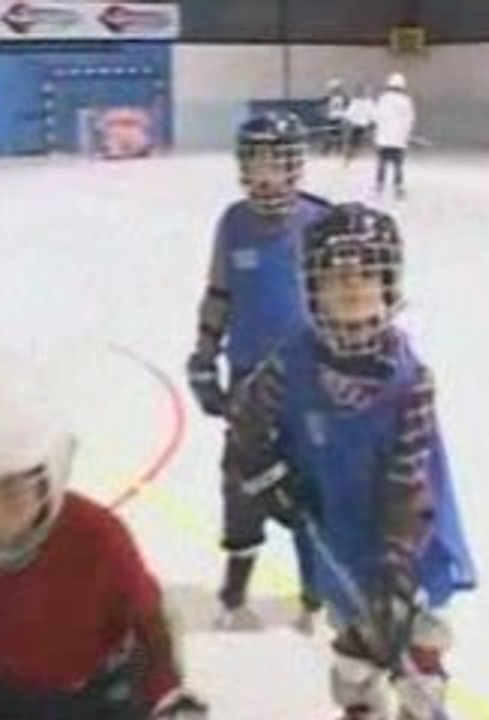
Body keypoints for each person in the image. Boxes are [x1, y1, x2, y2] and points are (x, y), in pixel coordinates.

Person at [225, 203, 477, 719]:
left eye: (366, 275)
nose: (353, 289)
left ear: (388, 284)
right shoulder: (291, 364)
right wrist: (271, 478)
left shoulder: (410, 381)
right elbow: (246, 424)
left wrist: (397, 576)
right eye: (337, 278)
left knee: (417, 645)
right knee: (355, 657)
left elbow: (409, 484)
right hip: (337, 527)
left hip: (412, 535)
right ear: (312, 289)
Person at [0, 352, 208, 720]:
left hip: (101, 692)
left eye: (9, 489)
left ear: (46, 476)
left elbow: (148, 620)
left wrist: (164, 690)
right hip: (9, 683)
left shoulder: (98, 537)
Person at [185, 113, 332, 632]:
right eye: (256, 163)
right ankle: (235, 586)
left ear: (295, 165)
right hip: (249, 379)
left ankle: (315, 593)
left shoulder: (320, 222)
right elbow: (219, 293)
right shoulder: (233, 222)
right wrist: (204, 357)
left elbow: (339, 303)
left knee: (310, 485)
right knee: (242, 481)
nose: (266, 174)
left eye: (277, 162)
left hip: (308, 378)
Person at [372, 73, 415, 198]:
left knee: (382, 162)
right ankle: (398, 187)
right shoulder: (406, 101)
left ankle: (379, 185)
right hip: (399, 140)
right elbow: (410, 120)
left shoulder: (382, 99)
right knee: (398, 164)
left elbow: (376, 117)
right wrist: (407, 135)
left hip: (383, 138)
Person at [343, 84, 376, 158]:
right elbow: (350, 113)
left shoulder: (367, 102)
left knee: (355, 141)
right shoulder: (356, 101)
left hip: (363, 125)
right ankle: (350, 154)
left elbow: (372, 114)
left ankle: (352, 153)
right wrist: (346, 119)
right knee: (353, 141)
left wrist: (372, 122)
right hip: (358, 125)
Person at [323, 78, 350, 155]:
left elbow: (346, 106)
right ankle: (329, 150)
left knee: (336, 135)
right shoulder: (341, 97)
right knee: (333, 135)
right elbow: (346, 106)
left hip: (336, 117)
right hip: (335, 117)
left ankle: (332, 150)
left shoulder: (334, 97)